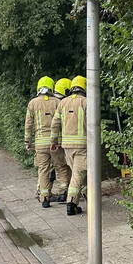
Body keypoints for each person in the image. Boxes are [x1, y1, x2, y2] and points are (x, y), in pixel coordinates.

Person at [25, 76, 71, 208]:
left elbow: (28, 125)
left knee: (43, 170)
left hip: (40, 144)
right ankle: (63, 192)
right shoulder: (57, 102)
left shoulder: (32, 103)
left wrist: (27, 141)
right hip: (56, 143)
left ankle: (44, 198)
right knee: (61, 167)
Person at [51, 75, 87, 216]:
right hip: (82, 146)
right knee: (78, 174)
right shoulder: (86, 102)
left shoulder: (63, 103)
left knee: (78, 173)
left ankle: (87, 196)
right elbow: (94, 124)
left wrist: (54, 141)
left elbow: (55, 124)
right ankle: (71, 203)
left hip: (67, 146)